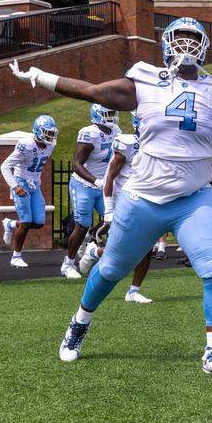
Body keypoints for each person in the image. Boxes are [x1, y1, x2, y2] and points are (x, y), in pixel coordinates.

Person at [10, 16, 212, 378]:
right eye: (181, 38)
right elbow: (94, 91)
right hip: (143, 197)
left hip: (194, 197)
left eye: (195, 39)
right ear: (166, 43)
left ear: (205, 45)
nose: (188, 46)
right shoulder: (145, 78)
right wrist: (41, 77)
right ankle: (79, 322)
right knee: (111, 268)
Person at [79, 112, 158, 304]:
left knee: (147, 247)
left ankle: (133, 290)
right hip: (124, 199)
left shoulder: (157, 143)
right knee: (120, 251)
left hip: (146, 199)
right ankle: (93, 252)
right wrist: (108, 210)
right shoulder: (127, 143)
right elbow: (110, 177)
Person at [61, 104, 120, 279]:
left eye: (112, 112)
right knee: (81, 225)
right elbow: (76, 164)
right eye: (107, 113)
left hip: (104, 185)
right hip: (84, 185)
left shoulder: (115, 129)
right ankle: (68, 263)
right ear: (97, 115)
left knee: (113, 219)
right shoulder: (89, 133)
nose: (111, 116)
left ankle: (91, 238)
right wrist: (95, 180)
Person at [0, 115, 57, 268]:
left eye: (52, 133)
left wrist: (35, 182)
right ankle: (16, 256)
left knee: (38, 222)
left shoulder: (50, 145)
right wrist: (15, 186)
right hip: (21, 183)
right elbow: (5, 166)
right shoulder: (26, 144)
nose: (51, 136)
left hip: (34, 185)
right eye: (47, 132)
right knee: (26, 222)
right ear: (38, 131)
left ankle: (10, 224)